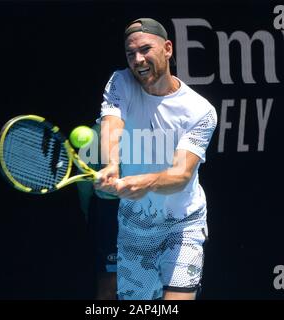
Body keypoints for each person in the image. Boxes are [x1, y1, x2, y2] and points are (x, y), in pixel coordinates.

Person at [94, 18, 217, 300]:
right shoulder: (120, 82)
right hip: (134, 228)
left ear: (168, 49)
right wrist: (112, 164)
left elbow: (180, 175)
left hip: (182, 225)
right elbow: (112, 125)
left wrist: (145, 183)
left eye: (146, 49)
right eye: (130, 53)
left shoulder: (200, 111)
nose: (138, 60)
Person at [77, 123, 119, 300]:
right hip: (113, 214)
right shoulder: (94, 134)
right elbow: (85, 185)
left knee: (109, 283)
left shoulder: (94, 133)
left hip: (111, 214)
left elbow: (84, 188)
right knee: (109, 284)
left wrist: (87, 212)